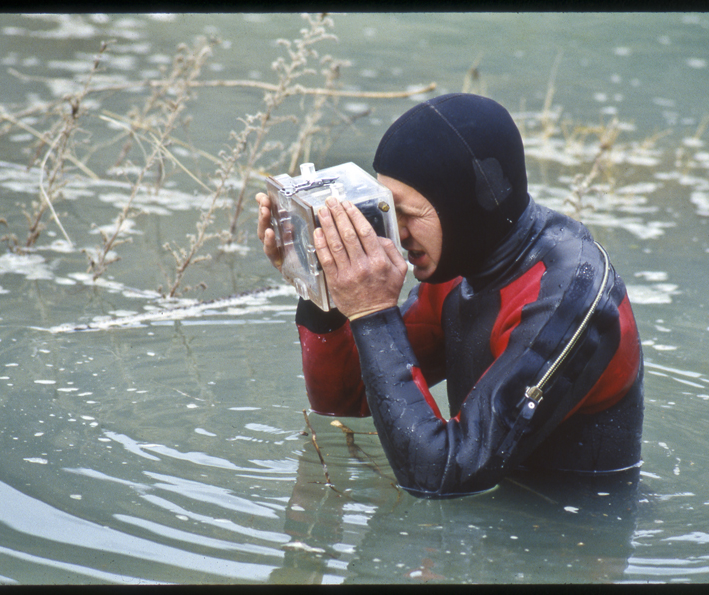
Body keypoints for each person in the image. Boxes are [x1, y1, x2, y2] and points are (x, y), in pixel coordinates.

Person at [256, 93, 643, 499]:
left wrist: (372, 310)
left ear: (465, 206)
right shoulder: (458, 266)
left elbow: (441, 477)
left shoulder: (570, 297)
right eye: (385, 208)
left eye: (409, 214)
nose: (395, 233)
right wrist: (322, 280)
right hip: (488, 518)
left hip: (566, 535)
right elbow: (348, 401)